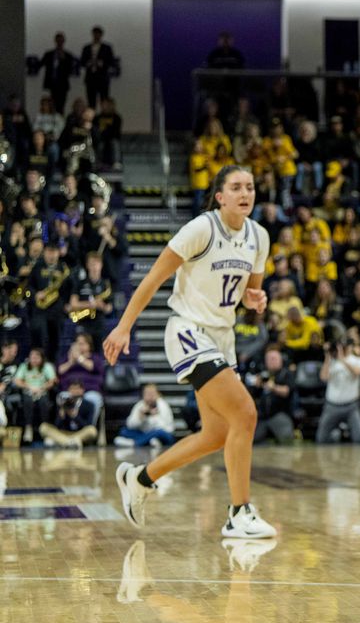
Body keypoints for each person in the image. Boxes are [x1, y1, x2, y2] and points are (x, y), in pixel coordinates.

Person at [104, 165, 277, 540]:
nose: (245, 193)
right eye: (236, 187)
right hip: (188, 331)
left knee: (216, 433)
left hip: (222, 337)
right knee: (245, 414)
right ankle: (239, 512)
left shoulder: (259, 236)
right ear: (220, 196)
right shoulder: (201, 229)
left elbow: (250, 292)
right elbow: (154, 278)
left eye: (249, 186)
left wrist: (255, 297)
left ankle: (140, 478)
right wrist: (123, 326)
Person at [317, 339, 360, 443]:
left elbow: (357, 372)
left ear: (350, 347)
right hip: (332, 406)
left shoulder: (358, 360)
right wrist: (327, 357)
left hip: (351, 406)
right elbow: (323, 377)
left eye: (343, 346)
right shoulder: (332, 362)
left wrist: (343, 360)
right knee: (321, 438)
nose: (341, 349)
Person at [40, 380, 99, 447]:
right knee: (43, 427)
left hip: (80, 433)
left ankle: (62, 442)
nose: (75, 391)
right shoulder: (63, 403)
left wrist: (76, 417)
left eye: (77, 388)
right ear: (68, 390)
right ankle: (69, 442)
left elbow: (88, 425)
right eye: (72, 389)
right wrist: (61, 416)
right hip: (63, 433)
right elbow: (57, 425)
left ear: (83, 390)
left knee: (92, 430)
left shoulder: (89, 405)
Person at [117, 383, 176, 447]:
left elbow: (166, 428)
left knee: (160, 433)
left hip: (163, 434)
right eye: (147, 394)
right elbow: (129, 425)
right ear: (143, 395)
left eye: (152, 394)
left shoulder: (162, 405)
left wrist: (154, 416)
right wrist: (140, 417)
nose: (150, 397)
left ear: (158, 395)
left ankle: (135, 443)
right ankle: (150, 441)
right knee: (124, 431)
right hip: (144, 433)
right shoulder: (139, 405)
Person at [37, 32, 76, 113]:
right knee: (51, 105)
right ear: (55, 41)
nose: (59, 43)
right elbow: (40, 65)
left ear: (64, 41)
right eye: (58, 41)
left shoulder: (68, 55)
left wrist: (63, 60)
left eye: (61, 41)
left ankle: (60, 122)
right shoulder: (49, 54)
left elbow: (70, 70)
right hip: (52, 84)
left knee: (61, 106)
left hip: (63, 84)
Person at [80, 26, 116, 108]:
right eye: (95, 34)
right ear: (92, 34)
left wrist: (100, 63)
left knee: (104, 101)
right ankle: (91, 120)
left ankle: (104, 119)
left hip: (102, 78)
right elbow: (82, 62)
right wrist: (89, 63)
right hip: (90, 78)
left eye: (98, 34)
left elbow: (111, 61)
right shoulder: (87, 47)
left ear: (101, 35)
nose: (96, 36)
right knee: (91, 102)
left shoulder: (107, 48)